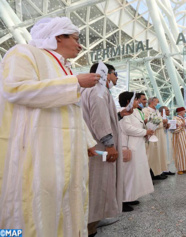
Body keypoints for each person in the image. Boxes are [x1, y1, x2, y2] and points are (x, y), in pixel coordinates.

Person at [0, 17, 99, 236]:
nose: (79, 45)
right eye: (75, 38)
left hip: (68, 154)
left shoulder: (63, 68)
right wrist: (75, 82)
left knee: (67, 203)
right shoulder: (24, 52)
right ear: (58, 37)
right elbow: (16, 90)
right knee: (33, 205)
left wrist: (87, 142)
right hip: (37, 149)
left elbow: (71, 110)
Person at [81, 63, 125, 236]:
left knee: (94, 185)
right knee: (99, 185)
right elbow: (99, 118)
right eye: (115, 74)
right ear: (106, 74)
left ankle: (92, 220)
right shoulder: (98, 91)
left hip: (93, 144)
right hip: (101, 147)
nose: (116, 77)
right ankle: (90, 226)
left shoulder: (87, 90)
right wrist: (109, 144)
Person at [118, 91, 154, 208]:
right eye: (135, 100)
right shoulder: (122, 111)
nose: (137, 101)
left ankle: (131, 196)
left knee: (135, 173)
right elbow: (127, 128)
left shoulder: (136, 112)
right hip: (129, 147)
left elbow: (139, 126)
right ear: (128, 101)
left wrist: (147, 131)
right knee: (127, 174)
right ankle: (123, 200)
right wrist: (145, 132)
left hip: (138, 145)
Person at [143, 97, 169, 180]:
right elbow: (147, 122)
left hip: (160, 134)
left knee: (159, 153)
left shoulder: (157, 111)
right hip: (153, 134)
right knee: (153, 154)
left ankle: (159, 171)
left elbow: (160, 122)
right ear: (152, 102)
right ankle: (153, 173)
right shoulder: (146, 110)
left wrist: (165, 125)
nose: (158, 104)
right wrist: (162, 122)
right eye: (157, 102)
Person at [172, 107, 186, 175]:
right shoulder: (175, 119)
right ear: (180, 112)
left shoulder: (185, 119)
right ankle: (180, 169)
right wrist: (181, 125)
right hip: (180, 138)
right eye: (184, 111)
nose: (185, 112)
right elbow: (173, 130)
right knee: (180, 153)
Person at [159, 106, 175, 175]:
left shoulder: (168, 118)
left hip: (168, 137)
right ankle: (162, 170)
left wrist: (174, 127)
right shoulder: (159, 118)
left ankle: (167, 170)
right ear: (163, 111)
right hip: (162, 138)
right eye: (167, 110)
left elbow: (170, 129)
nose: (169, 111)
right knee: (163, 153)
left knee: (168, 153)